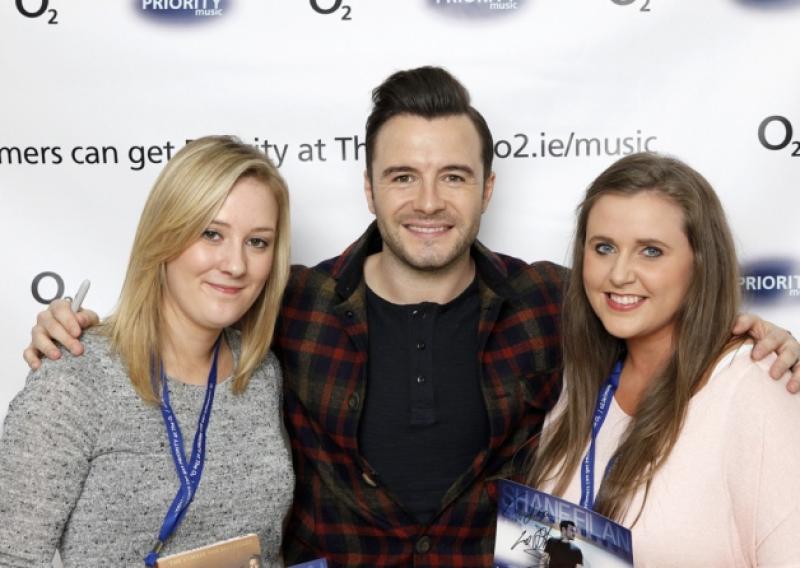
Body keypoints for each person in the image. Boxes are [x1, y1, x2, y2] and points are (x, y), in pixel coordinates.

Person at [21, 68, 800, 567]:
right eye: (402, 176)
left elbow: (645, 298)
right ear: (367, 188)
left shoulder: (551, 302)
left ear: (488, 188)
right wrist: (76, 326)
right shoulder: (289, 303)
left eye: (453, 176)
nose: (428, 202)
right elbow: (194, 292)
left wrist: (756, 334)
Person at [0, 136, 294, 566]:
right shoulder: (76, 378)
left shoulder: (261, 373)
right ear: (165, 234)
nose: (236, 265)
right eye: (211, 234)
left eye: (258, 242)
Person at [528, 153, 800, 566]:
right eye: (604, 248)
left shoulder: (755, 386)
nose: (619, 274)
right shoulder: (577, 383)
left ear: (701, 264)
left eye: (650, 251)